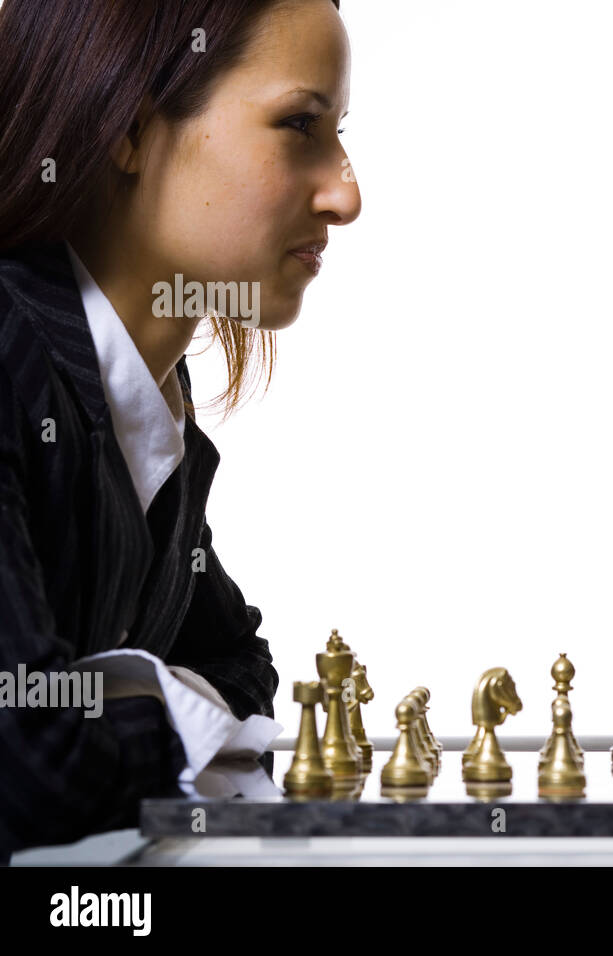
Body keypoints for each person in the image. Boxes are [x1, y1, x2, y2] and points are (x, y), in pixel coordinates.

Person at [0, 0, 361, 856]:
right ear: (127, 128)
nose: (347, 191)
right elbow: (30, 760)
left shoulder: (149, 400)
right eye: (300, 124)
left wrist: (126, 704)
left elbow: (246, 667)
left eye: (340, 133)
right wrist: (177, 717)